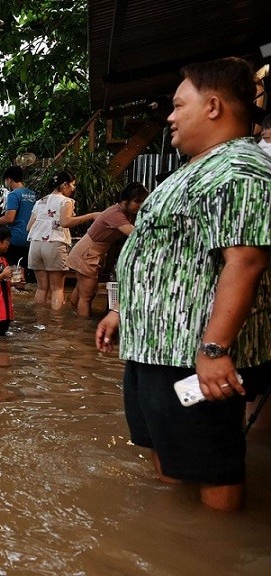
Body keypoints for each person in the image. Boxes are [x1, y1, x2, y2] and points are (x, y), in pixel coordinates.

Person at [95, 57, 271, 511]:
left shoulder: (241, 169)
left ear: (213, 106)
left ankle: (216, 547)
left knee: (213, 465)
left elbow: (244, 262)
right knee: (171, 455)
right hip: (158, 346)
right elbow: (172, 255)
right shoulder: (201, 167)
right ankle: (176, 539)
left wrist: (214, 350)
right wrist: (124, 310)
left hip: (192, 356)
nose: (169, 117)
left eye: (178, 105)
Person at [66, 182, 149, 316]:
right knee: (87, 296)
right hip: (87, 253)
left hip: (89, 251)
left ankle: (71, 317)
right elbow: (136, 234)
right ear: (124, 201)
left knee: (81, 289)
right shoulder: (115, 214)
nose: (140, 205)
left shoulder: (126, 212)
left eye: (143, 202)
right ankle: (81, 330)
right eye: (137, 201)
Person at [26, 171, 100, 310]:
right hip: (54, 244)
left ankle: (39, 321)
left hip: (35, 245)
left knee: (41, 288)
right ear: (64, 184)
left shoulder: (40, 201)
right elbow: (65, 222)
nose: (73, 188)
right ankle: (56, 324)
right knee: (57, 289)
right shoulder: (66, 201)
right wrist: (91, 216)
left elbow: (29, 227)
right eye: (72, 185)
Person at [0, 166, 37, 286]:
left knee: (11, 274)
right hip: (30, 238)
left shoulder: (13, 195)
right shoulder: (32, 194)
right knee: (22, 274)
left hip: (15, 238)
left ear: (9, 180)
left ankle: (13, 300)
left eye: (6, 181)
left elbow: (9, 218)